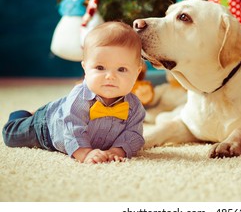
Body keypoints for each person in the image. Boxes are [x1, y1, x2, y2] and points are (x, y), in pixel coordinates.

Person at [2, 21, 145, 164]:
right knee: (11, 135)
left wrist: (116, 151)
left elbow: (133, 134)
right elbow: (72, 128)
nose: (110, 76)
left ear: (137, 72)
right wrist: (85, 153)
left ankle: (47, 109)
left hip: (62, 110)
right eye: (100, 67)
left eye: (121, 69)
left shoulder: (135, 107)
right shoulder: (80, 97)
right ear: (85, 68)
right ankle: (23, 114)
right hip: (47, 128)